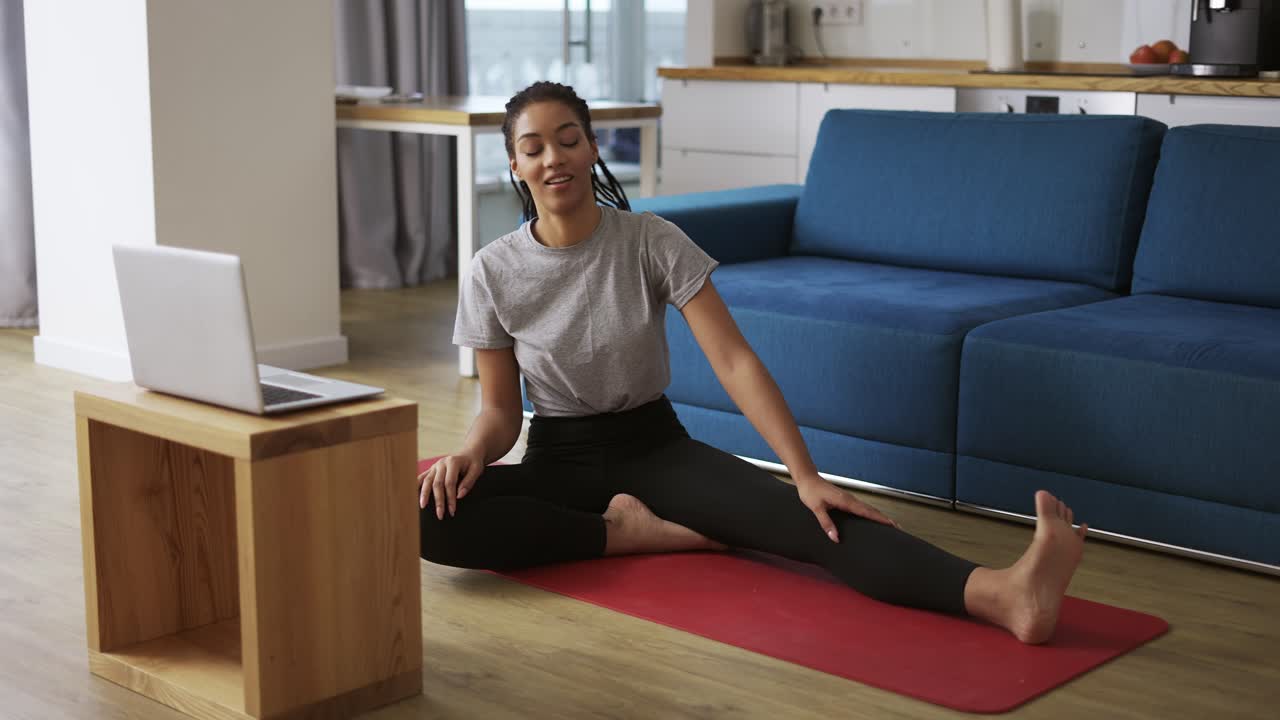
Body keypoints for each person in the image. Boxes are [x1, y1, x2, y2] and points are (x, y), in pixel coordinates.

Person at [418, 81, 1088, 645]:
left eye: (568, 139)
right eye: (532, 147)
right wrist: (473, 452)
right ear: (514, 165)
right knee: (428, 515)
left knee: (815, 519)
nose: (553, 158)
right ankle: (623, 536)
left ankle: (1002, 594)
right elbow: (503, 410)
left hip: (655, 448)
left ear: (592, 148)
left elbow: (734, 361)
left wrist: (805, 474)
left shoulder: (650, 240)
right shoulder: (492, 271)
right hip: (558, 457)